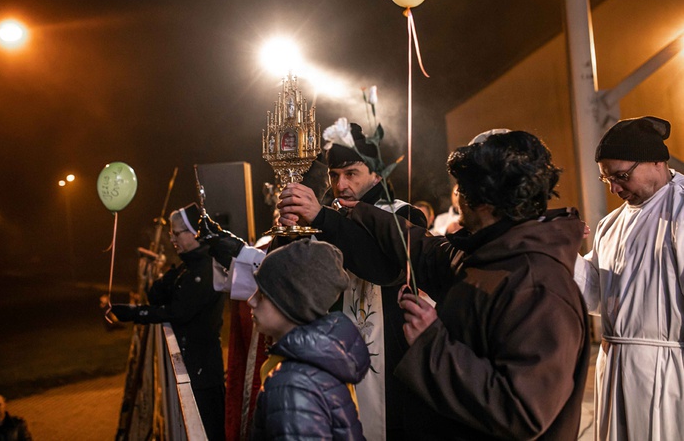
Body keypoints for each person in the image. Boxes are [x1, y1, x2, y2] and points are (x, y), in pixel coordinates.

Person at [283, 130, 591, 439]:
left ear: (484, 197)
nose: (456, 196)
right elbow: (422, 250)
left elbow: (522, 411)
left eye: (462, 187)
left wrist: (430, 341)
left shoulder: (537, 285)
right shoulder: (491, 252)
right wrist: (351, 212)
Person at [276, 120, 427, 440]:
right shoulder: (327, 215)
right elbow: (292, 277)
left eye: (351, 174)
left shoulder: (405, 214)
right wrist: (287, 233)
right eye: (333, 175)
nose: (340, 185)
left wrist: (320, 218)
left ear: (376, 174)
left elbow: (383, 269)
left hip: (391, 367)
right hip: (333, 357)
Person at [574, 115, 684, 440]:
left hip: (667, 370)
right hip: (615, 364)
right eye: (606, 179)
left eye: (621, 176)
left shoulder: (680, 212)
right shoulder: (611, 224)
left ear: (655, 160)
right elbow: (596, 294)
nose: (615, 188)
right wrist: (561, 252)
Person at [111, 203, 226, 441]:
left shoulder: (205, 267)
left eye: (176, 232)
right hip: (194, 365)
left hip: (203, 370)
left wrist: (136, 313)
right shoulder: (189, 265)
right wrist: (169, 274)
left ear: (195, 233)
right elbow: (156, 295)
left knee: (207, 430)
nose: (171, 237)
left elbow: (178, 312)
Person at [247, 238, 370, 440]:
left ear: (292, 301)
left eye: (262, 294)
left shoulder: (293, 385)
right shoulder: (317, 361)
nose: (250, 300)